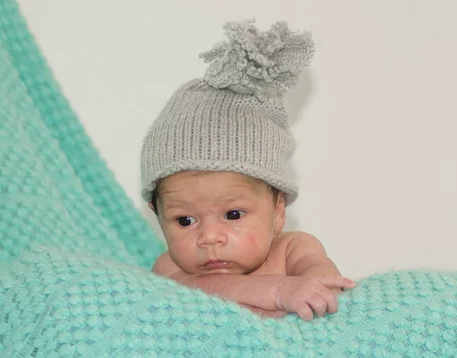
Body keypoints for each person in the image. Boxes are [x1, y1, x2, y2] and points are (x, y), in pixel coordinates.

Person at [141, 20, 355, 321]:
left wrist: (307, 289)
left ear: (278, 210)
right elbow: (198, 289)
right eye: (185, 220)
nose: (210, 237)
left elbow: (324, 290)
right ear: (158, 216)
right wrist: (279, 293)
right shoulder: (170, 269)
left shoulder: (294, 250)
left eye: (233, 215)